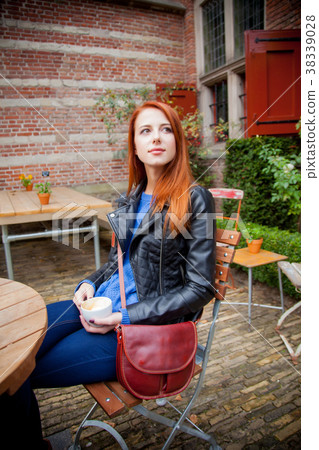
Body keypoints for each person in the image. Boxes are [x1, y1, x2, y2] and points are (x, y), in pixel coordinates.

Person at [1, 101, 216, 448]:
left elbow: (200, 288)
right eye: (145, 131)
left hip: (137, 330)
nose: (156, 137)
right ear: (135, 145)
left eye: (165, 129)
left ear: (177, 140)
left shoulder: (194, 198)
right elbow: (118, 260)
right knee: (13, 345)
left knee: (14, 375)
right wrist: (88, 282)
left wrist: (125, 315)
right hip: (100, 304)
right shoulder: (132, 197)